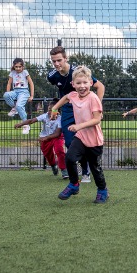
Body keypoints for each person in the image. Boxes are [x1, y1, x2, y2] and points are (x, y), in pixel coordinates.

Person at [50, 66, 109, 203]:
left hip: (94, 140)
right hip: (81, 137)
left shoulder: (93, 98)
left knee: (95, 168)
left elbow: (97, 119)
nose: (82, 86)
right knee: (69, 158)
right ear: (73, 84)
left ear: (90, 83)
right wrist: (54, 109)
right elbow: (65, 97)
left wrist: (78, 126)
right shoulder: (73, 95)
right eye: (78, 83)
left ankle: (102, 190)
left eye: (85, 83)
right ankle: (74, 184)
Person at [47, 46, 105, 183]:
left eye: (59, 60)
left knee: (86, 140)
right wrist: (55, 109)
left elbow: (100, 86)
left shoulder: (77, 71)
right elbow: (66, 96)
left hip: (83, 108)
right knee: (69, 142)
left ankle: (86, 172)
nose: (56, 64)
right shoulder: (52, 76)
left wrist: (97, 106)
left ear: (66, 59)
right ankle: (81, 169)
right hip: (68, 109)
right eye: (53, 61)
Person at [14, 99, 68, 179]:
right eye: (49, 110)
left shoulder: (60, 119)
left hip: (56, 137)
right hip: (45, 138)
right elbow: (32, 120)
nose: (50, 112)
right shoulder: (44, 116)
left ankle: (64, 170)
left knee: (59, 150)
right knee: (48, 155)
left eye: (53, 110)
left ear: (58, 111)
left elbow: (57, 133)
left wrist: (46, 137)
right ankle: (53, 166)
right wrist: (21, 124)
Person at [3, 58, 35, 135]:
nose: (17, 68)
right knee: (6, 95)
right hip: (15, 91)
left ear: (22, 66)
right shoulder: (12, 73)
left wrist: (31, 96)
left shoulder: (25, 72)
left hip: (24, 92)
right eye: (16, 66)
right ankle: (14, 108)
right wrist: (8, 93)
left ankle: (26, 124)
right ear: (14, 66)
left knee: (19, 105)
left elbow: (31, 84)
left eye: (19, 67)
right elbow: (9, 83)